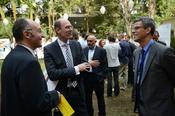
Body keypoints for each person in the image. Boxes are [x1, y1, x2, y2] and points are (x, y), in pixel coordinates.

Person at [1, 18, 60, 116]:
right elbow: (38, 104)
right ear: (27, 34)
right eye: (39, 31)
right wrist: (55, 95)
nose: (43, 36)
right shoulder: (29, 62)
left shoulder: (10, 57)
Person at [44, 18, 90, 116]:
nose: (70, 29)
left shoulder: (76, 45)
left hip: (78, 91)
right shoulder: (49, 49)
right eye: (67, 27)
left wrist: (87, 66)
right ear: (58, 30)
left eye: (71, 27)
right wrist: (76, 69)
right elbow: (52, 74)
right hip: (61, 95)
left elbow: (85, 65)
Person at [133, 16, 175, 116]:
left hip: (161, 110)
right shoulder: (136, 52)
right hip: (142, 108)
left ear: (148, 30)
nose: (134, 31)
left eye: (137, 28)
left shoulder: (164, 52)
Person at [83, 34, 108, 116]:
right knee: (87, 99)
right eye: (87, 41)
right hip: (87, 78)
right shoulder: (84, 50)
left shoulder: (101, 51)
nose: (89, 43)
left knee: (100, 98)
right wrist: (89, 63)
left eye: (90, 41)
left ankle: (102, 113)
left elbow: (105, 65)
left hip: (98, 78)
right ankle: (89, 113)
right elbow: (80, 61)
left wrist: (102, 77)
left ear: (95, 41)